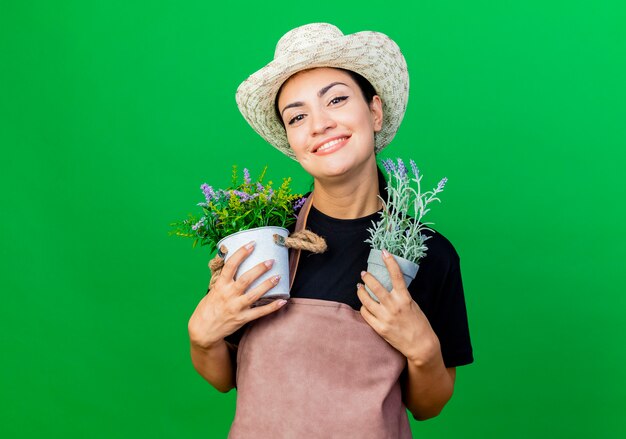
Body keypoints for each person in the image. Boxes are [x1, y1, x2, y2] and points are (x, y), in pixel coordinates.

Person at [187, 23, 474, 438]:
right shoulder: (264, 236)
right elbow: (223, 377)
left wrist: (424, 348)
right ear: (291, 139)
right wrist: (202, 337)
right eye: (298, 116)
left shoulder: (426, 253)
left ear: (374, 111)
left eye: (336, 99)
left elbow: (427, 405)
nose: (319, 124)